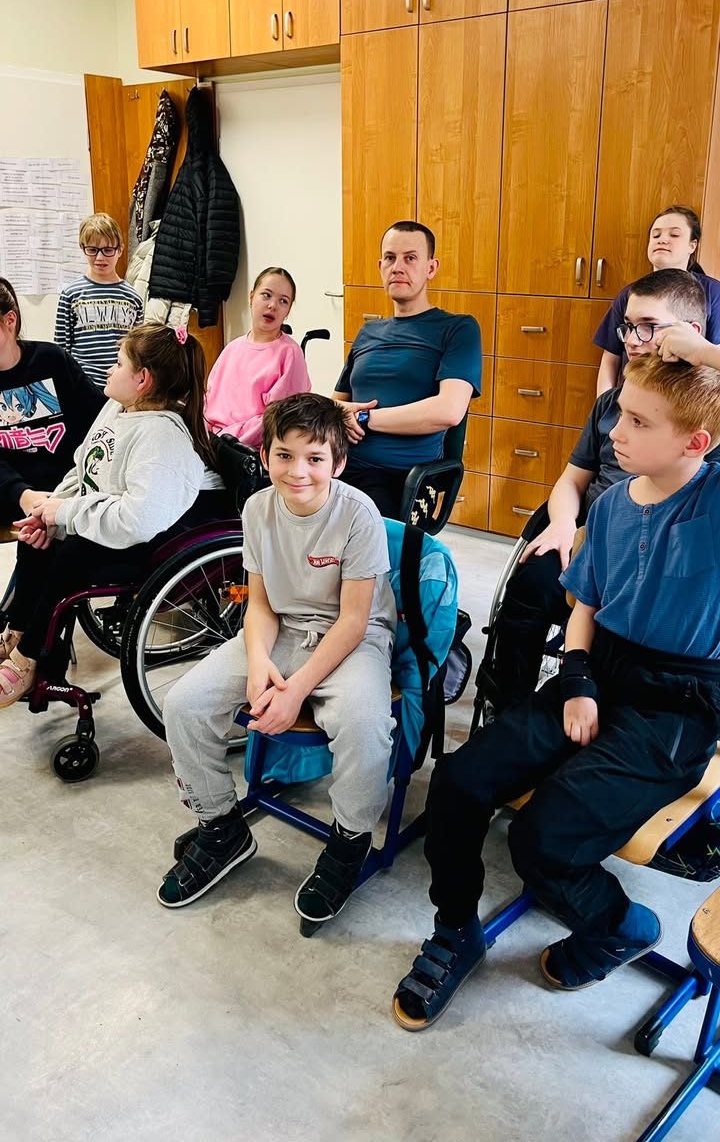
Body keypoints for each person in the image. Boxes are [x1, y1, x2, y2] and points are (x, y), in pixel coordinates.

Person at [393, 352, 720, 1030]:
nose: (614, 432)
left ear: (696, 442)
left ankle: (620, 926)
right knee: (458, 783)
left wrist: (704, 354)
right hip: (598, 672)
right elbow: (586, 607)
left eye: (638, 422)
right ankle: (456, 929)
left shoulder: (713, 502)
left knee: (544, 841)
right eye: (620, 413)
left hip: (678, 707)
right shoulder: (613, 507)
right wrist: (575, 679)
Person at [157, 393, 397, 928]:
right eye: (284, 455)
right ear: (265, 455)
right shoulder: (257, 508)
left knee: (364, 725)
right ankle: (221, 827)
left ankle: (350, 839)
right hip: (282, 627)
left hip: (351, 639)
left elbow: (354, 621)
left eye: (315, 458)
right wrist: (259, 660)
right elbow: (261, 604)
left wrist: (296, 690)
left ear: (338, 463)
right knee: (184, 703)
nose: (298, 471)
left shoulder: (359, 515)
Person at [489, 268, 711, 710]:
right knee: (530, 588)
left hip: (663, 552)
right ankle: (509, 706)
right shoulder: (612, 402)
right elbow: (573, 478)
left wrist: (704, 354)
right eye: (628, 326)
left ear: (691, 332)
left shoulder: (706, 409)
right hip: (591, 532)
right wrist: (561, 524)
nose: (631, 339)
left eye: (649, 326)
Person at [0, 324, 214, 705]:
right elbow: (83, 466)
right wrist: (49, 510)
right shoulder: (118, 408)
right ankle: (18, 633)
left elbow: (137, 520)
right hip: (111, 521)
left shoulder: (161, 437)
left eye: (117, 363)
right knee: (36, 540)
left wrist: (66, 513)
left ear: (142, 380)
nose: (108, 370)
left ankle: (29, 656)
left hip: (146, 540)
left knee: (70, 552)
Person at [333, 221, 482, 518]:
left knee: (350, 526)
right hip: (341, 464)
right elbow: (336, 403)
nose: (398, 267)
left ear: (431, 268)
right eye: (390, 258)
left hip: (404, 479)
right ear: (380, 267)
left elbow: (448, 411)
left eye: (410, 258)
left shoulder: (458, 329)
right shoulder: (368, 332)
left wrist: (365, 417)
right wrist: (339, 412)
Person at [0, 277, 105, 525]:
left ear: (10, 320)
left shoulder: (51, 360)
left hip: (66, 491)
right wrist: (22, 495)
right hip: (9, 493)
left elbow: (99, 419)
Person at [593, 206, 720, 395]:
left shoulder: (714, 293)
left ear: (692, 245)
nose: (662, 240)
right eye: (656, 235)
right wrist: (604, 404)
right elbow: (611, 356)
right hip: (633, 395)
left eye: (674, 235)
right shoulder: (629, 294)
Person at [204, 267, 311, 450]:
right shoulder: (232, 348)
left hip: (248, 451)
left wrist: (227, 440)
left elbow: (279, 419)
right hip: (211, 443)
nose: (273, 305)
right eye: (266, 295)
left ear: (288, 310)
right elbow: (208, 402)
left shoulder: (290, 353)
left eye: (283, 301)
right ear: (251, 297)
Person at [54, 212, 143, 388]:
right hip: (81, 386)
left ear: (120, 250)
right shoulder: (70, 294)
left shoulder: (133, 298)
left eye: (108, 250)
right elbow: (61, 348)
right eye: (93, 250)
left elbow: (137, 350)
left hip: (121, 387)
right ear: (83, 248)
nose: (100, 258)